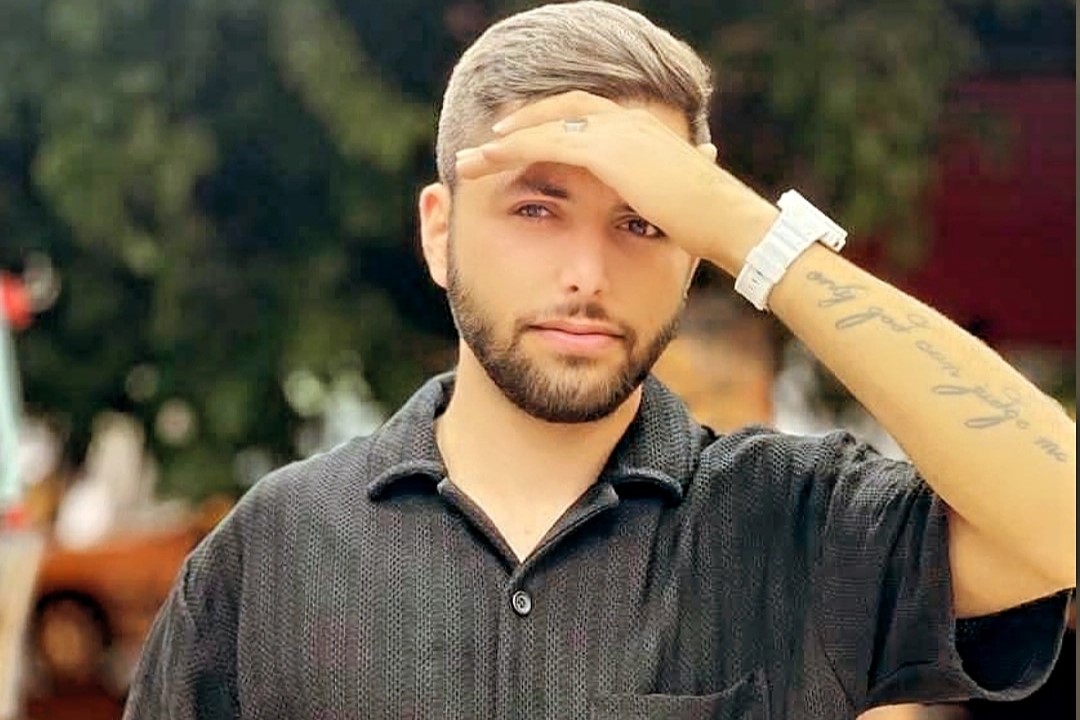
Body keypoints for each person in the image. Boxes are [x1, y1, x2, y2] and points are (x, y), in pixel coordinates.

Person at [122, 3, 1076, 718]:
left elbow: (1061, 520)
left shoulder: (800, 523)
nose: (587, 273)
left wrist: (750, 230)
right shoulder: (274, 552)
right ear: (440, 231)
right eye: (536, 208)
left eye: (643, 220)